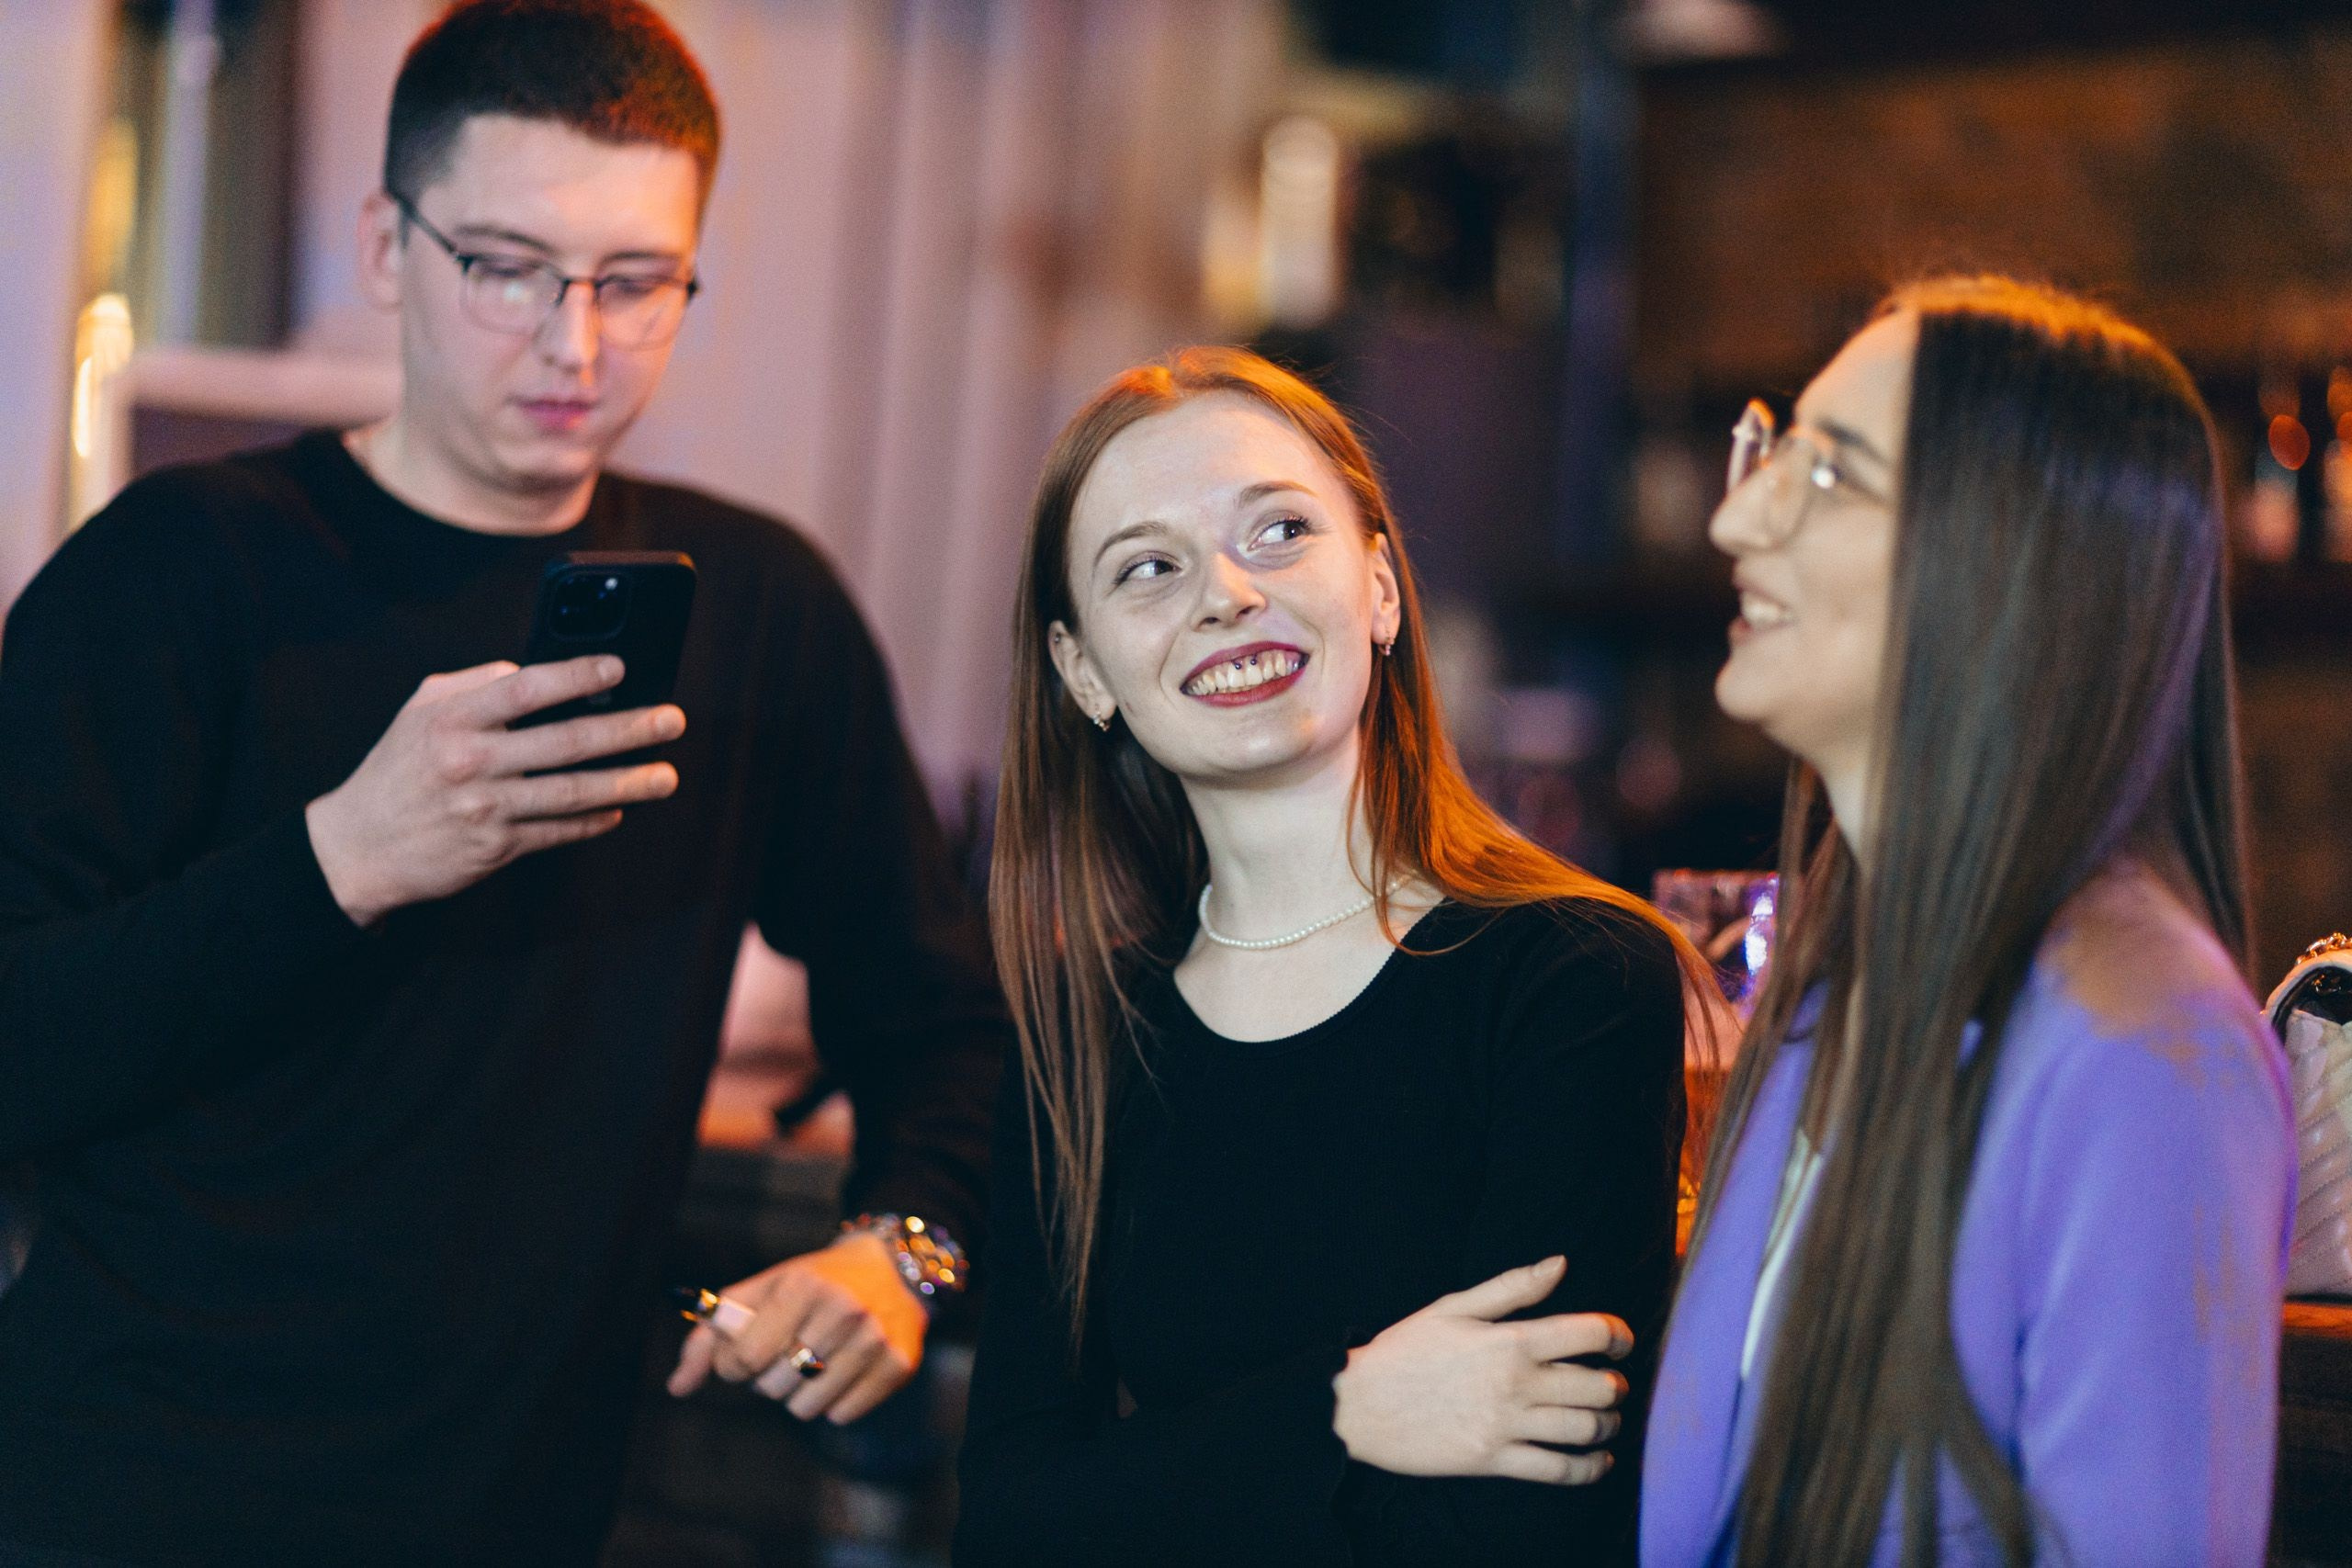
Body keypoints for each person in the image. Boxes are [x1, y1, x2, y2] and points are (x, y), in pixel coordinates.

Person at [0, 3, 1005, 1561]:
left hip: (521, 1504)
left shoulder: (760, 609)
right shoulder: (177, 567)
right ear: (387, 248)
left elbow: (940, 1016)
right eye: (506, 267)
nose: (574, 345)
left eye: (636, 282)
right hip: (133, 1487)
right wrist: (342, 859)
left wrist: (903, 1245)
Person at [954, 346, 1710, 1567]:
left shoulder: (1574, 980)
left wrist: (1160, 1486)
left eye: (1279, 533)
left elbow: (1532, 1526)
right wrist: (1347, 1410)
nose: (1226, 595)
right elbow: (1006, 1522)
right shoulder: (1084, 1037)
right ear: (1084, 672)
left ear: (1381, 590)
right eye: (1148, 567)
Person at [1642, 276, 2295, 1566]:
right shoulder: (1832, 987)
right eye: (1773, 450)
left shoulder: (2146, 1048)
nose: (1736, 517)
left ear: (2012, 566)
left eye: (1828, 475)